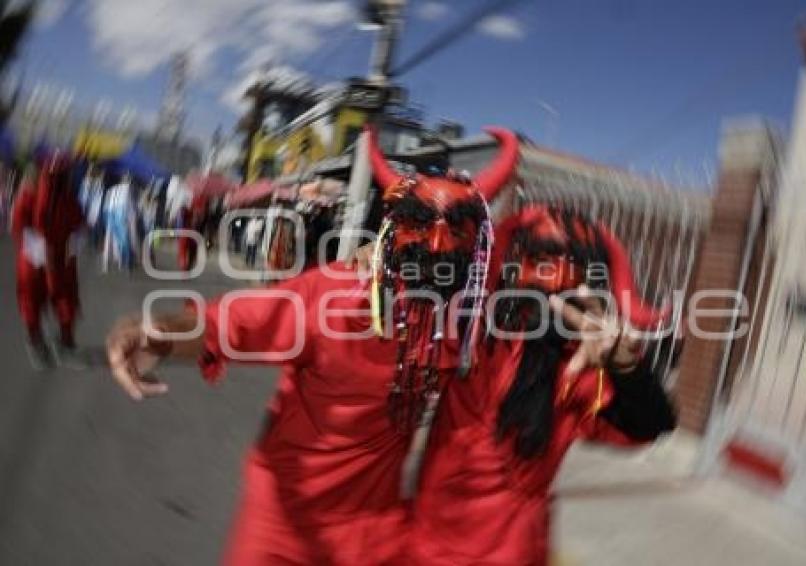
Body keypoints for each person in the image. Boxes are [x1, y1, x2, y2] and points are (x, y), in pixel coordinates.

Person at [104, 124, 519, 565]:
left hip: (374, 532)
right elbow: (234, 323)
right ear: (393, 230)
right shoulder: (335, 295)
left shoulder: (471, 314)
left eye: (457, 230)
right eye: (421, 224)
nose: (437, 244)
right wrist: (160, 332)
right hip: (284, 523)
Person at [406, 206, 677, 565]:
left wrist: (628, 369)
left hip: (508, 551)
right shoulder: (469, 331)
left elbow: (648, 426)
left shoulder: (577, 366)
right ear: (516, 263)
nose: (557, 280)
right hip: (424, 539)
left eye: (574, 267)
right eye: (543, 260)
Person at [13, 157, 86, 369]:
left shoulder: (68, 196)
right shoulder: (30, 193)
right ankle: (37, 344)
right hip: (35, 260)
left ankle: (65, 343)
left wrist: (74, 243)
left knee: (66, 301)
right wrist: (39, 251)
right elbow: (20, 224)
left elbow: (79, 224)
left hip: (61, 260)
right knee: (32, 302)